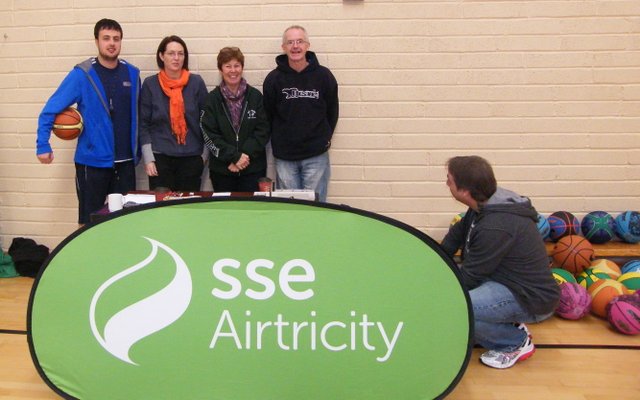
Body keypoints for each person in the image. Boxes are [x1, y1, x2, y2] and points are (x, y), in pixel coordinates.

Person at [440, 156, 559, 369]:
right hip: (503, 281)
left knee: (455, 308)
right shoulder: (485, 204)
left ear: (465, 191)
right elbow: (456, 234)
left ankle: (513, 342)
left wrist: (433, 296)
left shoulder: (495, 225)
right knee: (452, 301)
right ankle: (503, 323)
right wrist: (434, 261)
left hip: (529, 298)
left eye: (449, 179)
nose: (446, 183)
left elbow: (470, 277)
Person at [36, 19, 140, 225]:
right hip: (92, 162)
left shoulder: (133, 73)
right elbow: (50, 109)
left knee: (126, 222)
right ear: (96, 41)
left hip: (125, 163)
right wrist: (43, 144)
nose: (112, 43)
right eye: (106, 38)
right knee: (89, 222)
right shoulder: (82, 74)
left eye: (116, 39)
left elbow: (139, 116)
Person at [263, 25, 339, 202]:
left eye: (300, 41)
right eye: (290, 42)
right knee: (290, 209)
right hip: (285, 158)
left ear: (307, 45)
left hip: (316, 155)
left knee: (316, 207)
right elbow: (268, 114)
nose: (295, 46)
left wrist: (325, 138)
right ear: (283, 47)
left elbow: (332, 111)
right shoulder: (273, 79)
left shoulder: (324, 76)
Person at [139, 35, 208, 192]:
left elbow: (207, 122)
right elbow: (143, 124)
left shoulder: (196, 83)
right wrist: (148, 159)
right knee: (162, 206)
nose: (176, 58)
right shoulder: (150, 84)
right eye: (171, 53)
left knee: (189, 206)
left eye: (180, 53)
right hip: (159, 159)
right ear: (161, 56)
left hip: (192, 159)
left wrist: (203, 157)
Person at [200, 47, 270, 192]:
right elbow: (209, 134)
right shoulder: (212, 99)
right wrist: (233, 157)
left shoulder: (255, 97)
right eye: (228, 66)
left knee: (251, 207)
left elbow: (263, 130)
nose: (233, 70)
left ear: (242, 68)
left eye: (237, 65)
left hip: (253, 169)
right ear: (221, 70)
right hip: (223, 170)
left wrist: (242, 158)